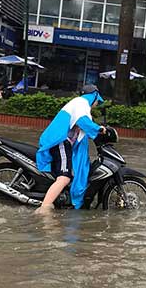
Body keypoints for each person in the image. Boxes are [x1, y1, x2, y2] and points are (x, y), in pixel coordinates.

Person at [34, 84, 105, 215]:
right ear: (94, 95)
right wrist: (98, 129)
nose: (97, 103)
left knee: (72, 172)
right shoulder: (81, 103)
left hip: (62, 142)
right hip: (60, 141)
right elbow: (82, 121)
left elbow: (82, 127)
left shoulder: (80, 105)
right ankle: (44, 209)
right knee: (65, 178)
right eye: (97, 99)